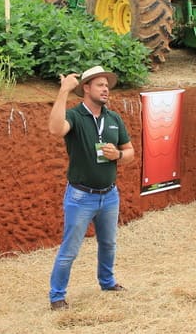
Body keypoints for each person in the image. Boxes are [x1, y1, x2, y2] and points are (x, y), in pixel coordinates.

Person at [47, 65, 135, 311]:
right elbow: (55, 129)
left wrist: (117, 154)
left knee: (108, 244)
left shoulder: (114, 118)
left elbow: (130, 153)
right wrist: (64, 91)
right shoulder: (75, 116)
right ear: (86, 88)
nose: (106, 89)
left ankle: (107, 283)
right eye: (100, 84)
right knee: (70, 250)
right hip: (80, 197)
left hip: (109, 195)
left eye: (107, 85)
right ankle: (57, 296)